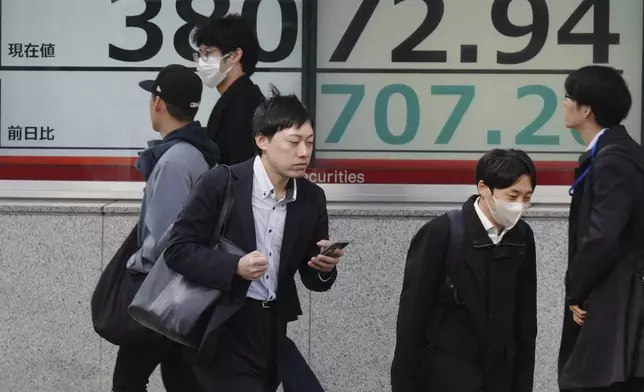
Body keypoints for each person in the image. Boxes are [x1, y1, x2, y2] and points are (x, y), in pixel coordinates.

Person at [162, 87, 343, 392]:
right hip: (223, 326)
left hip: (272, 328)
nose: (304, 152)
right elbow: (177, 250)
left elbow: (311, 276)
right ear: (262, 140)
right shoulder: (222, 183)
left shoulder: (311, 198)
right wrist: (235, 266)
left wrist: (324, 269)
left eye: (309, 143)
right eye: (294, 142)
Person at [391, 148, 538, 392]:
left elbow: (525, 323)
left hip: (500, 378)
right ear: (484, 188)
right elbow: (411, 321)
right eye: (512, 196)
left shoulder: (522, 237)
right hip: (446, 377)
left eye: (527, 197)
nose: (519, 206)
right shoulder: (441, 233)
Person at [111, 64, 220, 392]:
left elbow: (163, 240)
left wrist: (134, 262)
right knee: (182, 379)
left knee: (128, 380)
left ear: (158, 103)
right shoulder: (197, 154)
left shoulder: (175, 161)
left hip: (161, 292)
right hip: (184, 291)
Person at [558, 65, 644, 392]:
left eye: (569, 97)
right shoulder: (616, 153)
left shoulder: (613, 160)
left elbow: (604, 235)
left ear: (586, 109)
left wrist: (576, 289)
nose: (564, 104)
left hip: (615, 307)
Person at [191, 13, 265, 165]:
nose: (201, 63)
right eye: (199, 55)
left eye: (207, 54)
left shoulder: (244, 106)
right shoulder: (239, 98)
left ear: (235, 55)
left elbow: (241, 170)